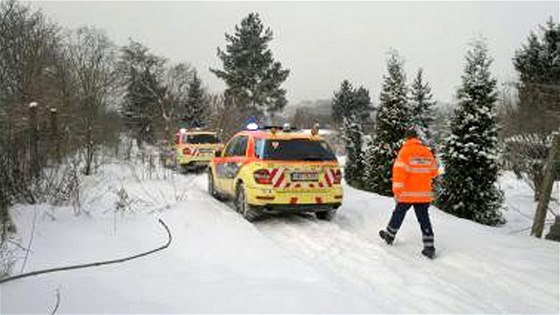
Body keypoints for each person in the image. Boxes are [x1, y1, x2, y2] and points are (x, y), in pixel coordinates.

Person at [379, 128, 439, 259]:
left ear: (406, 138)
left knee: (398, 214)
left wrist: (397, 192)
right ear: (417, 138)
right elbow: (434, 172)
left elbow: (399, 173)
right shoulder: (427, 152)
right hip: (423, 194)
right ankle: (429, 247)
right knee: (424, 218)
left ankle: (389, 236)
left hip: (407, 194)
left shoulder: (405, 152)